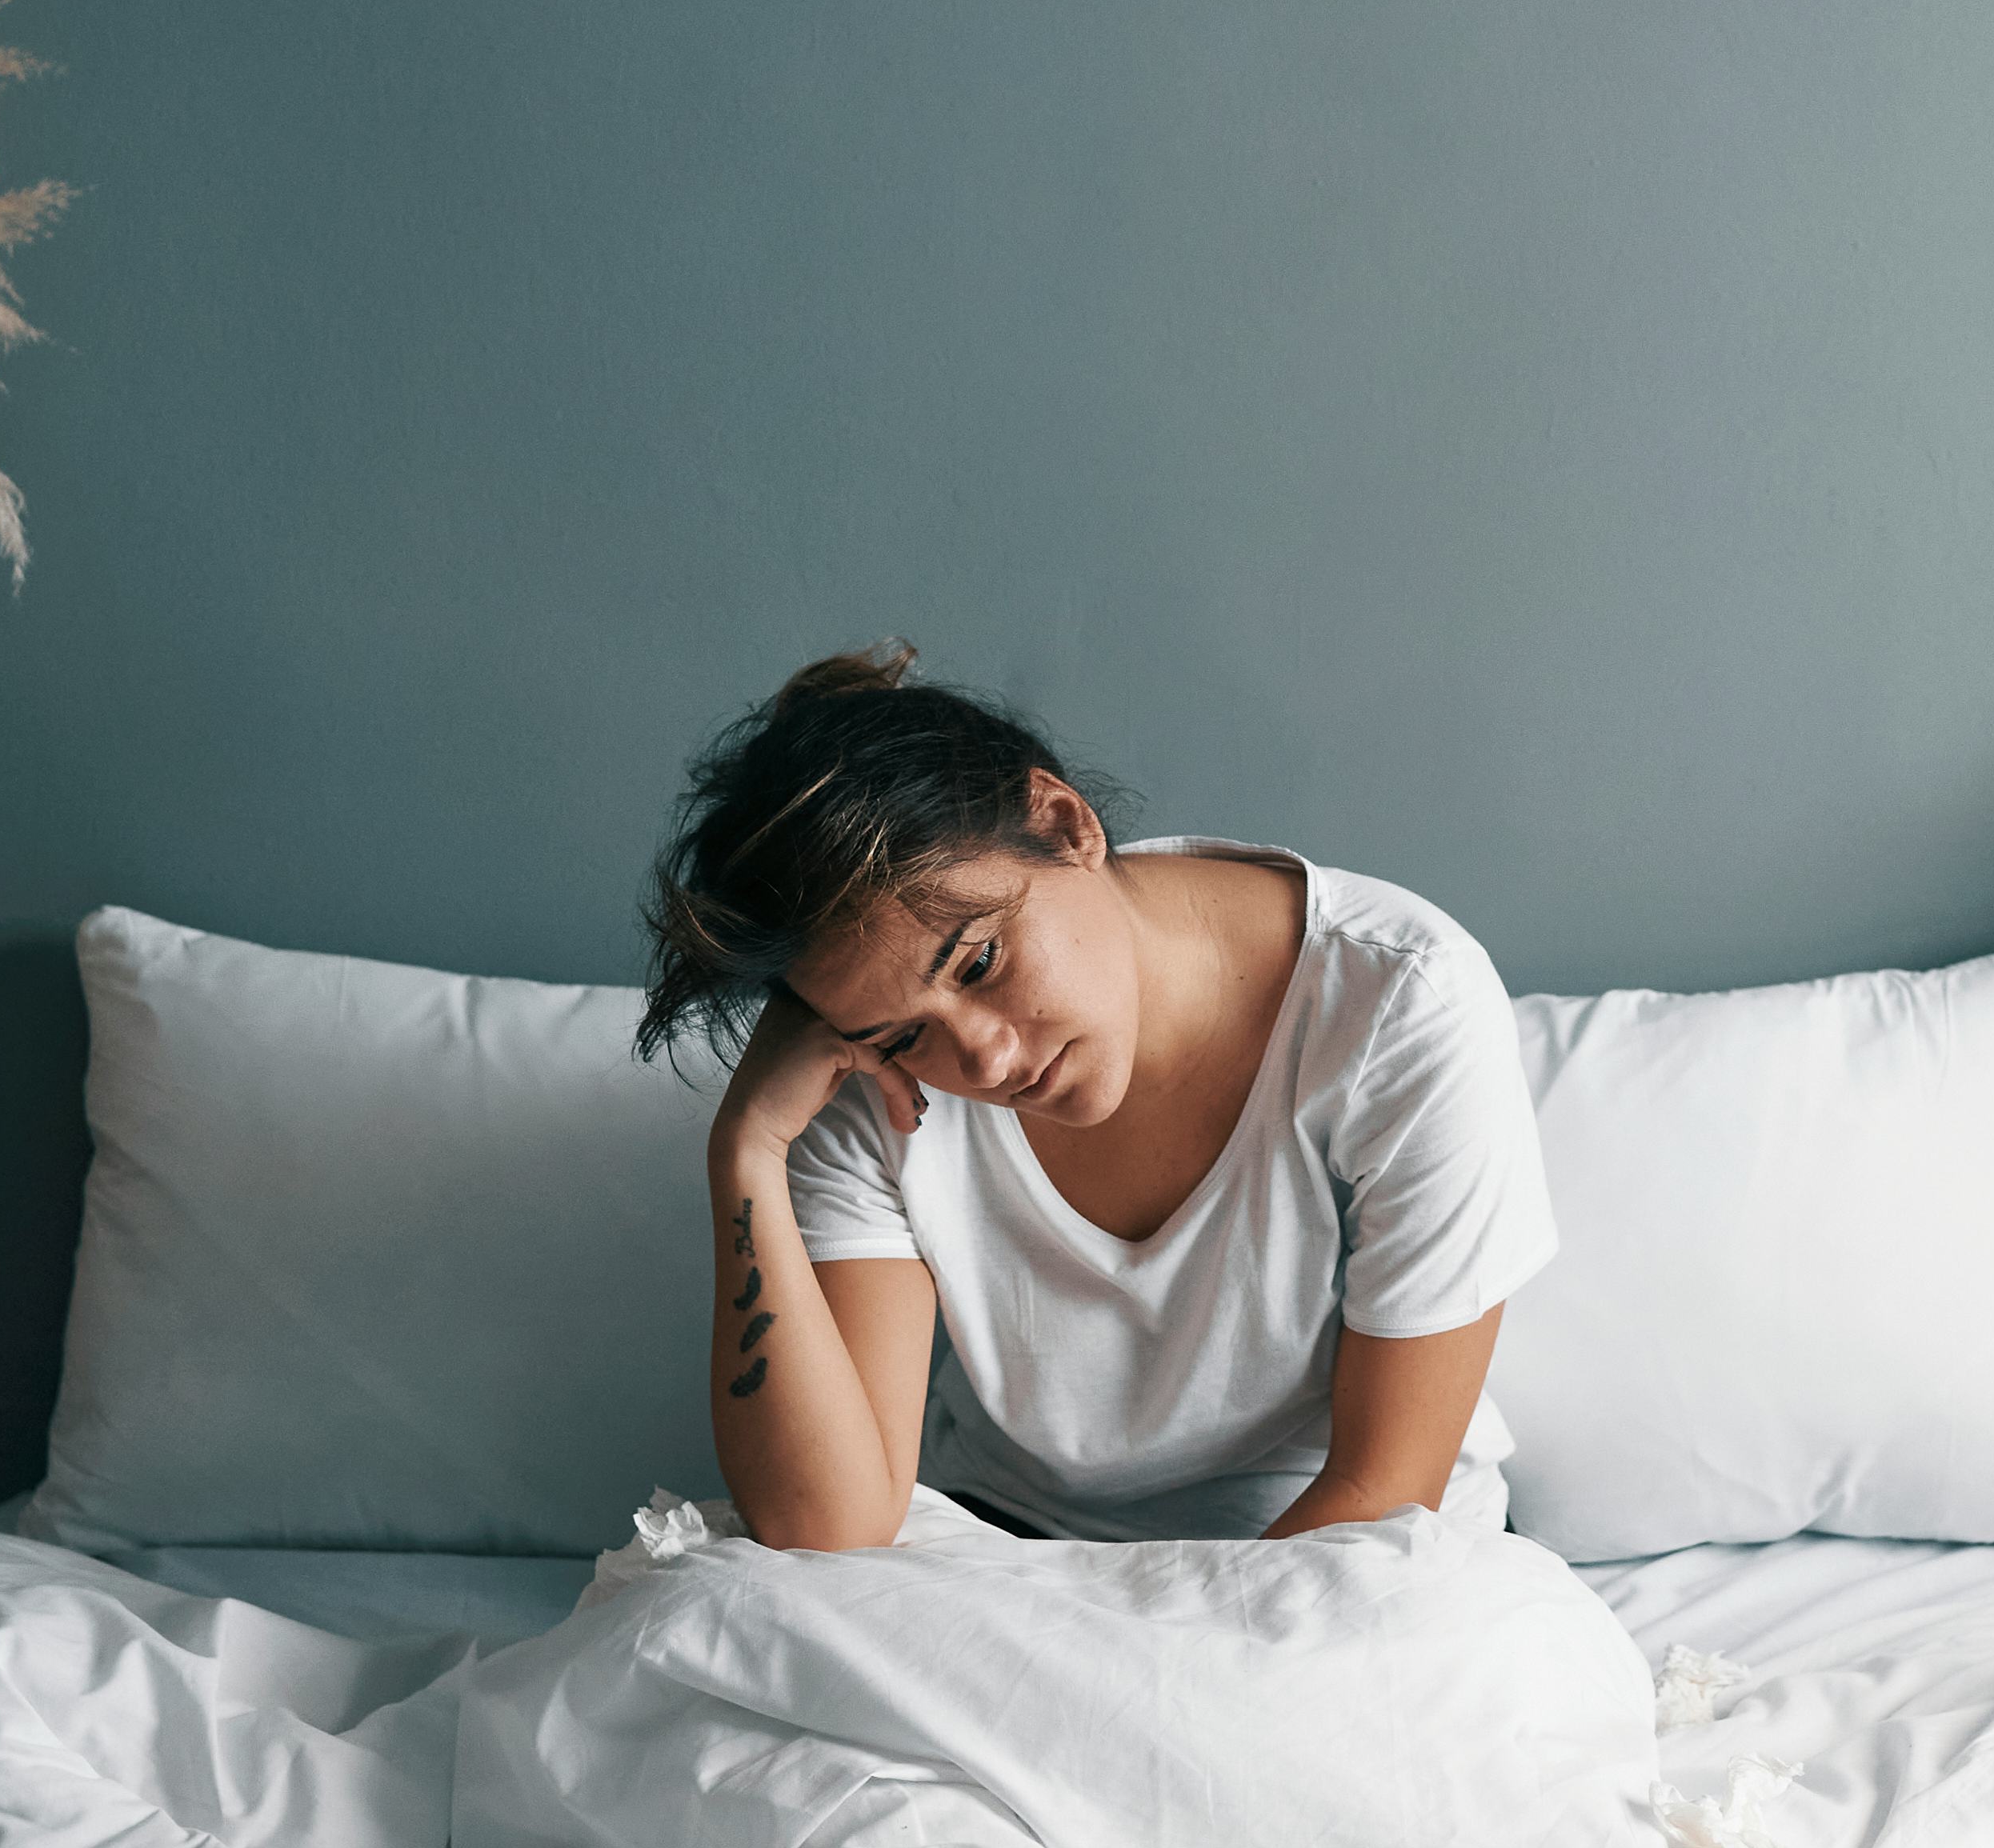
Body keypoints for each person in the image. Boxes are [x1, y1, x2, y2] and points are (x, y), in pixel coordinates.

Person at [636, 644, 1556, 1551]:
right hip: (1026, 1552)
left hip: (1350, 1551)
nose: (984, 1057)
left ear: (1066, 822)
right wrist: (748, 1146)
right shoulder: (867, 1070)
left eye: (979, 960)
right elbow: (824, 1526)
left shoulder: (1397, 1001)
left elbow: (1382, 1490)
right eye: (906, 1032)